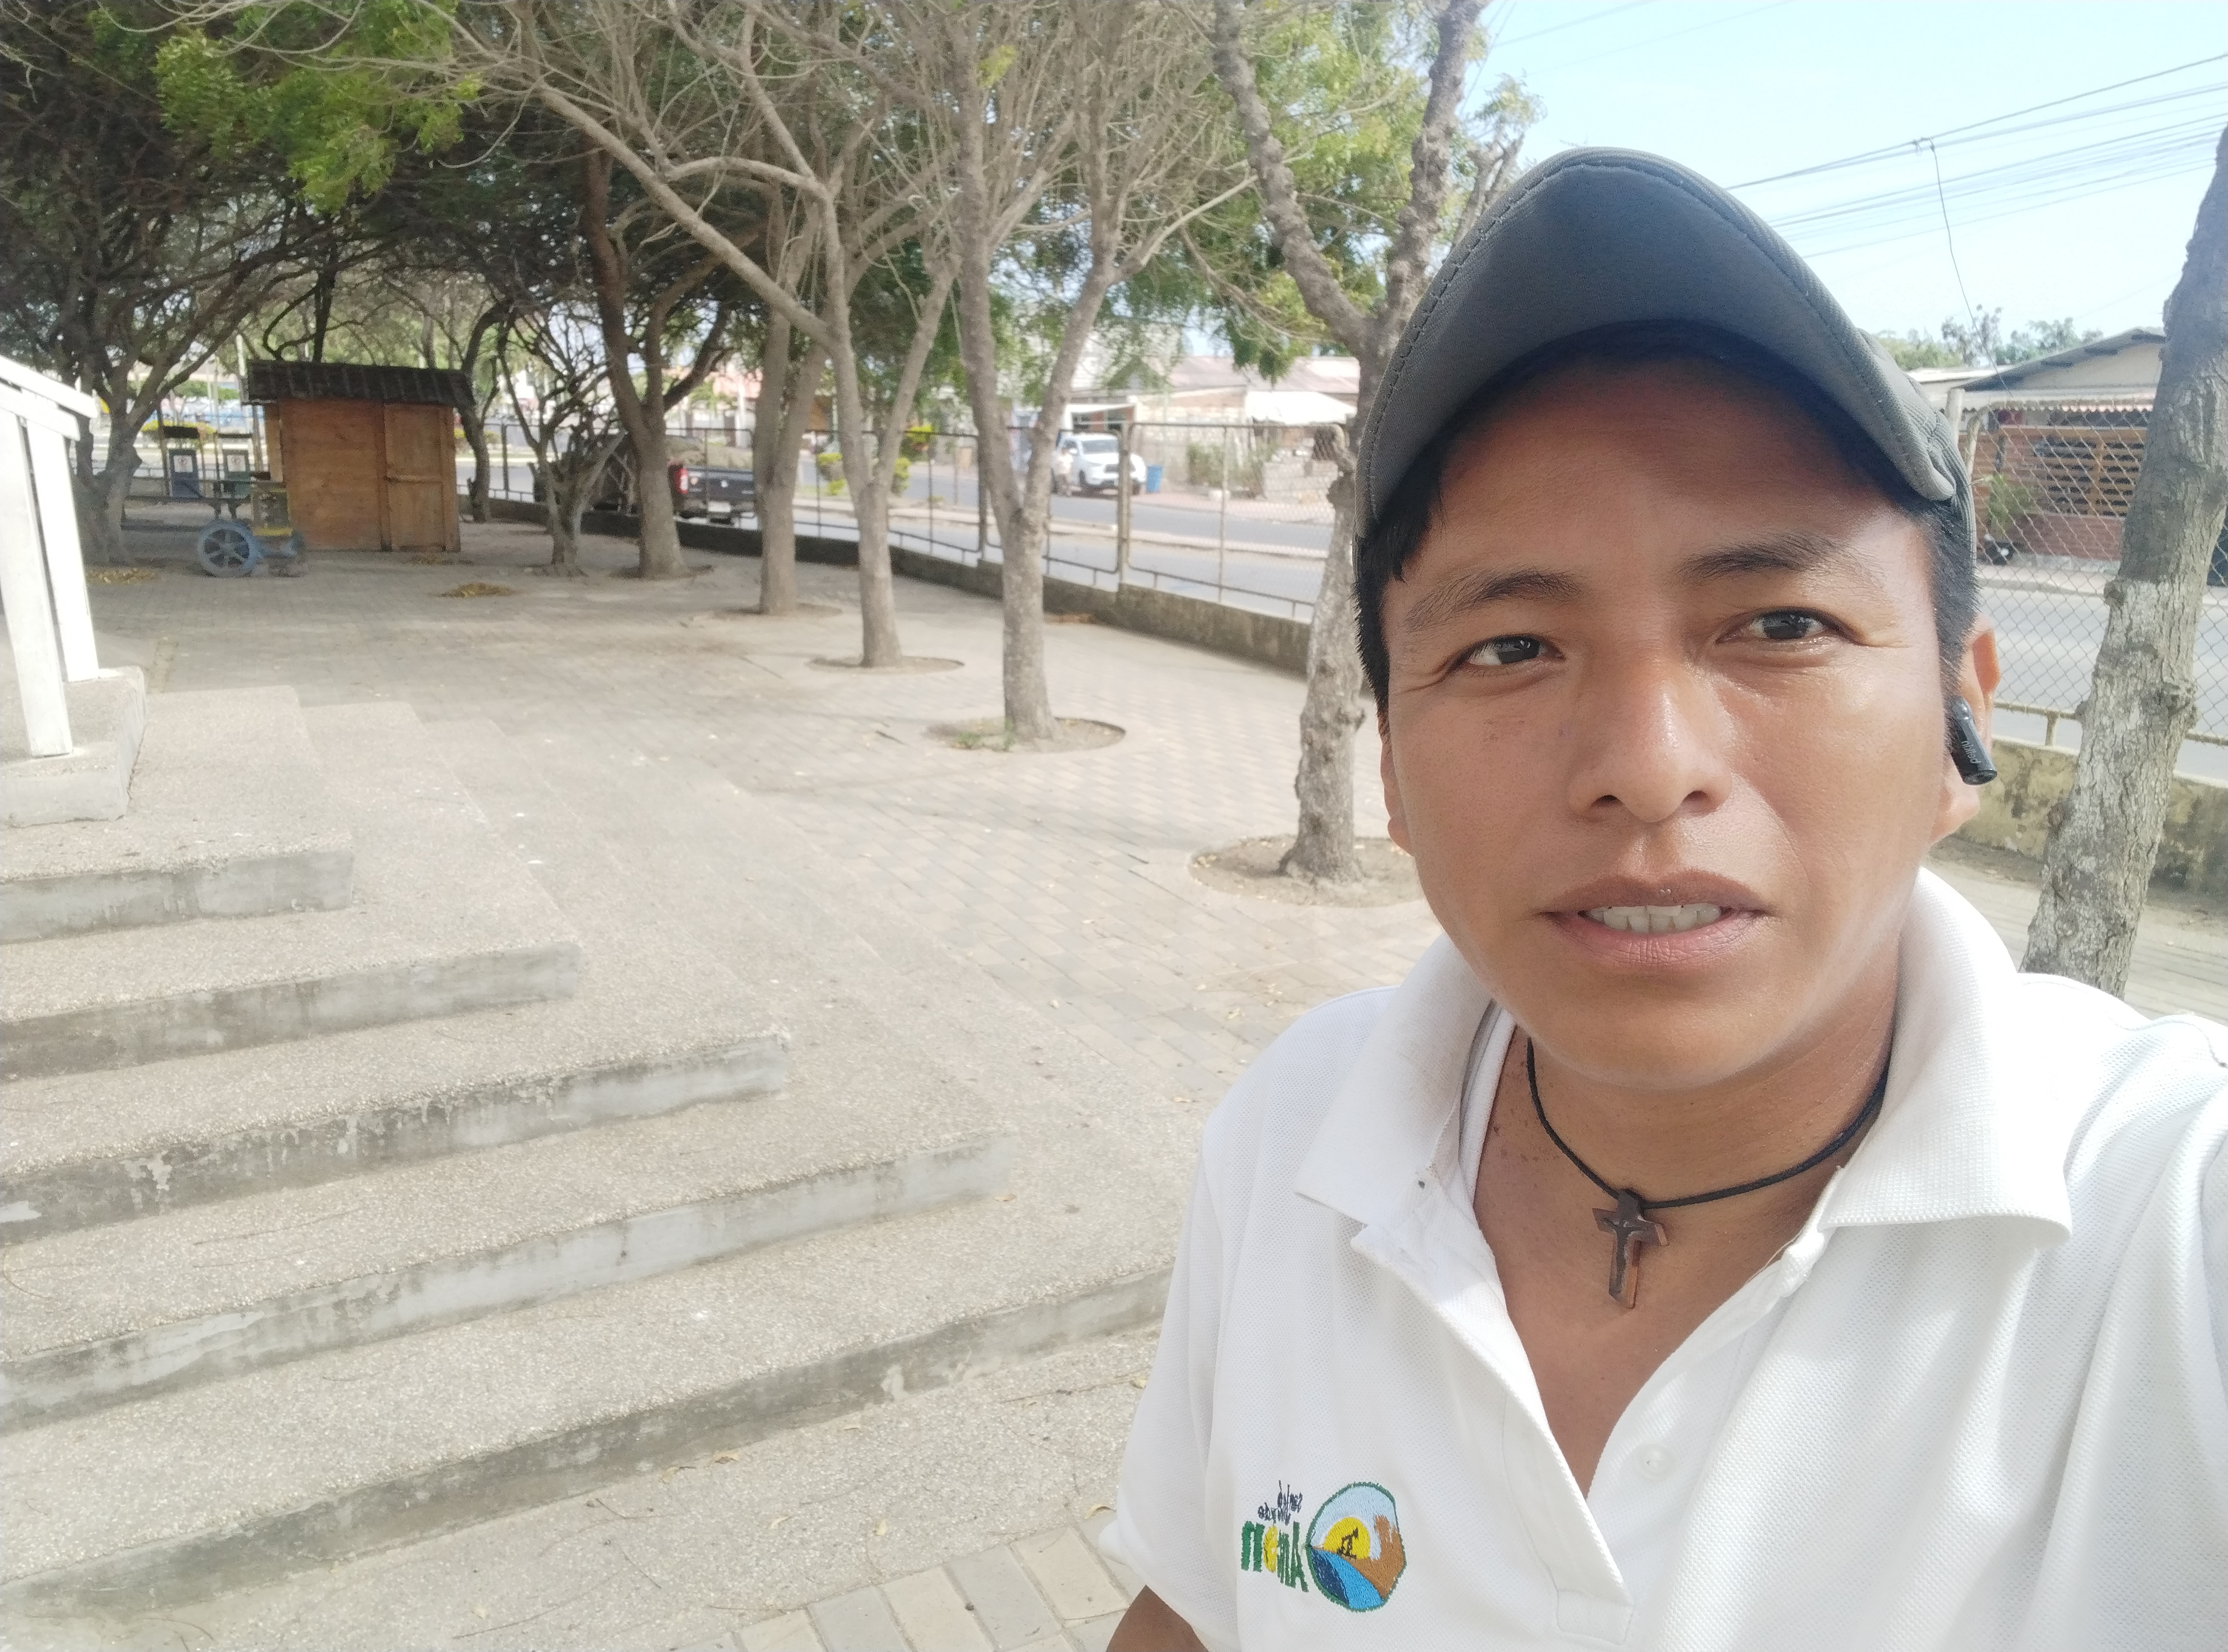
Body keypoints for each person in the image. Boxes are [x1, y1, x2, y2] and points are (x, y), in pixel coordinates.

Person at [1100, 149, 2227, 1651]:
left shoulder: (2173, 1227)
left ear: (1962, 724)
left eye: (1781, 623)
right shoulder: (1293, 1136)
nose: (1645, 768)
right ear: (1393, 776)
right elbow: (1194, 1609)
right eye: (1509, 649)